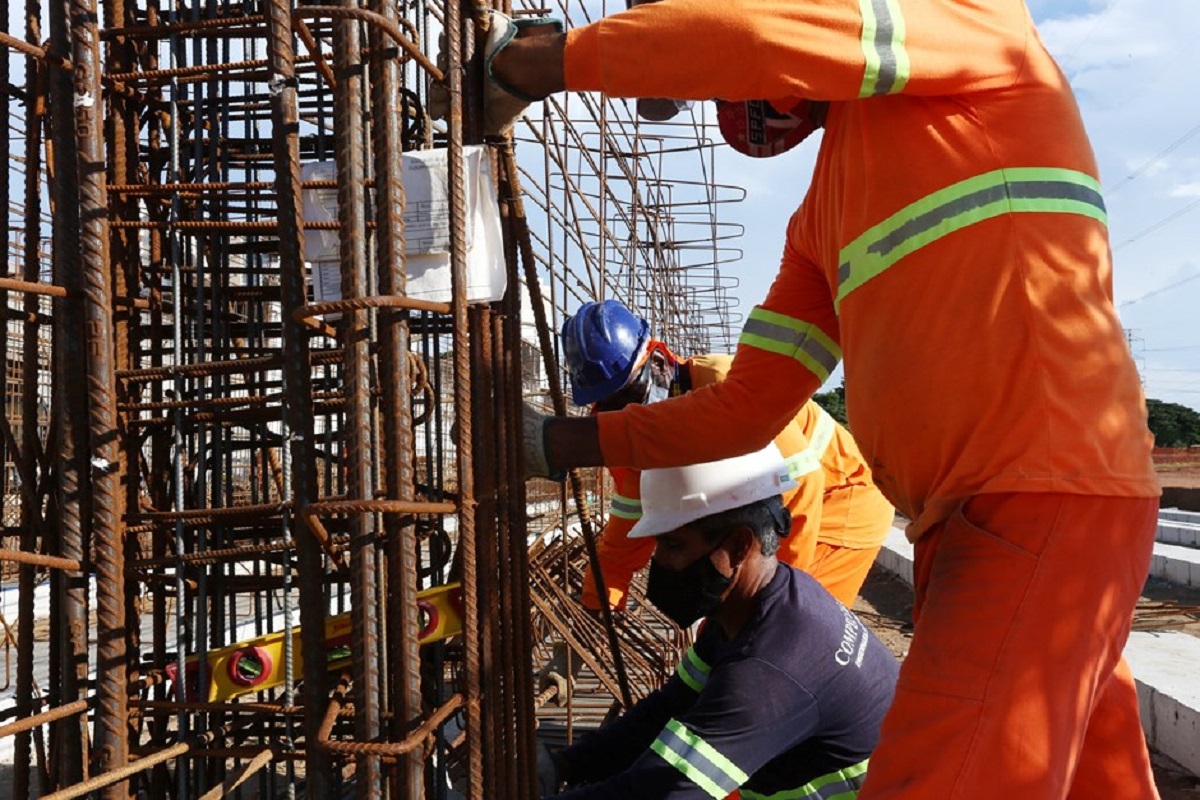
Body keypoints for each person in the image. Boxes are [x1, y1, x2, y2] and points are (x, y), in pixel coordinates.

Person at [484, 2, 1162, 797]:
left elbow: (759, 36)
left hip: (1040, 496)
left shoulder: (973, 25)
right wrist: (550, 445)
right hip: (974, 520)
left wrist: (529, 66)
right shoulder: (820, 218)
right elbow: (745, 410)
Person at [537, 445, 898, 799]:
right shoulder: (764, 603)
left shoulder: (768, 669)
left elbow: (664, 789)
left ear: (740, 545)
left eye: (674, 546)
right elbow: (669, 707)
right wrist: (566, 765)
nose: (659, 563)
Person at [562, 299, 892, 610]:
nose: (626, 412)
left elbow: (803, 485)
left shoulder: (723, 383)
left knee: (791, 634)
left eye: (630, 394)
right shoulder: (637, 437)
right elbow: (625, 530)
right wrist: (598, 602)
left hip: (841, 502)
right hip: (778, 511)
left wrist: (775, 601)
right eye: (607, 405)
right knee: (731, 633)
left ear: (659, 362)